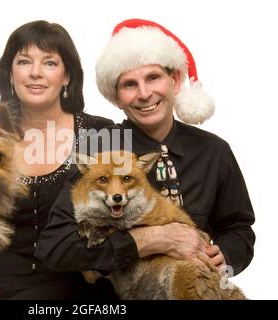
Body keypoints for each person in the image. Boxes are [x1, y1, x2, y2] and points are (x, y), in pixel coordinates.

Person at [36, 19, 255, 283]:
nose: (144, 93)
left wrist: (227, 258)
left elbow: (238, 227)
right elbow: (56, 247)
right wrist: (151, 240)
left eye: (153, 78)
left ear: (174, 80)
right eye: (129, 84)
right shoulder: (99, 147)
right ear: (116, 96)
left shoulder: (214, 150)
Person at [0, 20, 116, 300]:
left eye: (50, 63)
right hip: (0, 288)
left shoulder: (101, 133)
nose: (35, 73)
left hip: (83, 285)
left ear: (67, 77)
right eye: (24, 61)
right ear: (10, 75)